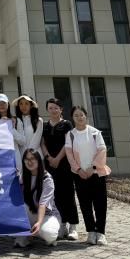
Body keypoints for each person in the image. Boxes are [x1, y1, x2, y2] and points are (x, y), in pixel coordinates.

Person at [65, 105, 111, 246]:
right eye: (76, 115)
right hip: (79, 175)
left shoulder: (95, 132)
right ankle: (91, 231)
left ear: (86, 116)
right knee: (85, 204)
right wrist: (78, 170)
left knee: (100, 204)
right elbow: (69, 154)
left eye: (81, 115)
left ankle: (101, 233)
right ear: (72, 118)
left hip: (96, 174)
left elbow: (102, 150)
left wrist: (93, 167)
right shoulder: (70, 135)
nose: (79, 118)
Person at [40, 98, 79, 241]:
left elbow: (68, 143)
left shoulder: (66, 124)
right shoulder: (44, 126)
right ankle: (61, 225)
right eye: (50, 108)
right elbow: (42, 143)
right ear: (47, 109)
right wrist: (49, 157)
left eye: (56, 108)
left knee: (68, 193)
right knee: (54, 195)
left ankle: (73, 226)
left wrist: (57, 159)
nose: (53, 110)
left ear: (61, 109)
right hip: (49, 164)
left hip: (64, 164)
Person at [14, 149, 61, 248]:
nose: (29, 162)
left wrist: (39, 222)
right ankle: (26, 234)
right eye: (26, 159)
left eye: (32, 159)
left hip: (47, 215)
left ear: (39, 160)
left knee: (49, 235)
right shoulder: (23, 176)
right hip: (30, 212)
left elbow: (43, 204)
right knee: (17, 207)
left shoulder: (47, 179)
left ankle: (36, 232)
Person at [0, 93, 25, 173]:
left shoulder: (16, 120)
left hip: (14, 158)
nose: (2, 105)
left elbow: (22, 141)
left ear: (8, 104)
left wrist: (11, 128)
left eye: (4, 103)